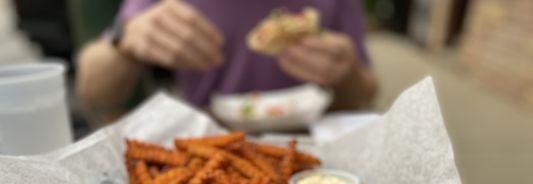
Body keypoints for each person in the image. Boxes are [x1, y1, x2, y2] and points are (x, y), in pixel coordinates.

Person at [76, 0, 377, 112]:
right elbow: (93, 89)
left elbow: (366, 91)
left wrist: (346, 72)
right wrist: (125, 40)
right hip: (209, 143)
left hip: (316, 143)